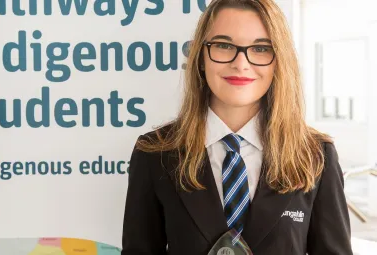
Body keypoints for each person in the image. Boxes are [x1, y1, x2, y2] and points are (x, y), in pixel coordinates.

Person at [121, 0, 353, 254]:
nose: (241, 63)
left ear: (279, 62)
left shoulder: (316, 156)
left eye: (261, 48)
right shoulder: (155, 152)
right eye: (223, 45)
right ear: (200, 57)